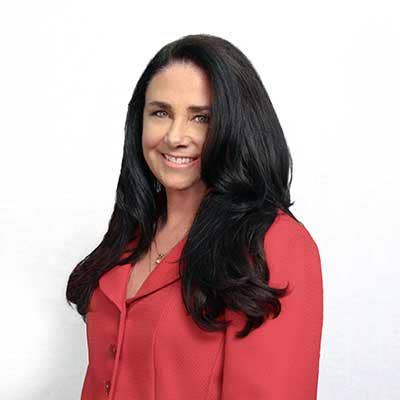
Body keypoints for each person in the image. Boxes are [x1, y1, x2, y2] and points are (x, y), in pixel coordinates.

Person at [66, 33, 324, 400]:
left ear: (238, 127)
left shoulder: (274, 243)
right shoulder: (132, 230)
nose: (175, 136)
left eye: (201, 118)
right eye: (160, 113)